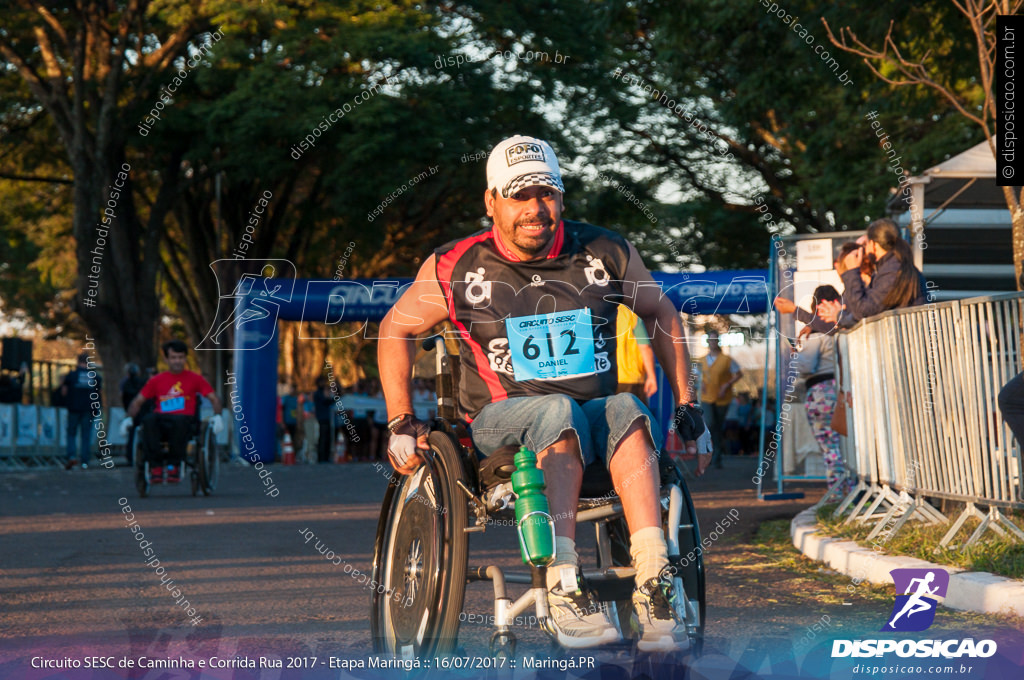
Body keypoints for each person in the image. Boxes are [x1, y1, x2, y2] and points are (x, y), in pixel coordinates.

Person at [377, 135, 710, 652]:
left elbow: (662, 312)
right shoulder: (455, 265)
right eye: (519, 196)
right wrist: (400, 420)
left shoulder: (605, 251)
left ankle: (654, 580)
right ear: (491, 202)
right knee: (557, 411)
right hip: (496, 420)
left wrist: (688, 404)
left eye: (547, 194)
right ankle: (562, 583)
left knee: (629, 408)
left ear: (561, 197)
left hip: (589, 416)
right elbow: (394, 329)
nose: (535, 209)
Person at [121, 340, 224, 483]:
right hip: (161, 420)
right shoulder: (156, 380)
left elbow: (214, 398)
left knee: (179, 421)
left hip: (185, 420)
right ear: (166, 359)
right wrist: (128, 418)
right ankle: (155, 466)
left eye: (181, 357)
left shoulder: (195, 379)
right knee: (148, 420)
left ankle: (173, 465)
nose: (177, 361)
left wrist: (218, 416)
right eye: (174, 358)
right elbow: (138, 401)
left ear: (185, 358)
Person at [789, 285, 846, 490]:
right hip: (842, 389)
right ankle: (849, 489)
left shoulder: (814, 334)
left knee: (829, 446)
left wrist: (796, 354)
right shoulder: (842, 330)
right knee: (844, 445)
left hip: (821, 392)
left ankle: (838, 492)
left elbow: (807, 366)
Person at [818, 219, 926, 326]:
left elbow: (863, 312)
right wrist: (840, 315)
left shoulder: (892, 271)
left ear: (874, 245)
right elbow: (869, 312)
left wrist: (851, 272)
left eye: (865, 245)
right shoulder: (894, 267)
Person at [699, 330, 742, 470]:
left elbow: (738, 374)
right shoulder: (701, 360)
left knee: (717, 427)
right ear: (708, 342)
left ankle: (716, 457)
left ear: (718, 342)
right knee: (710, 424)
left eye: (714, 340)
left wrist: (726, 385)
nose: (712, 342)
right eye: (710, 340)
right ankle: (712, 454)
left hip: (722, 398)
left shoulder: (726, 360)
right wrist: (700, 383)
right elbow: (695, 375)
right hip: (706, 397)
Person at [61, 353, 100, 470]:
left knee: (71, 433)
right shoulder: (95, 377)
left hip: (74, 408)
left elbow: (64, 392)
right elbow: (99, 393)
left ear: (78, 362)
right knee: (86, 435)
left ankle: (71, 456)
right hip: (89, 409)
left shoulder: (71, 375)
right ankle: (85, 461)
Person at [616, 305, 658, 405]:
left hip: (606, 377)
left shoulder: (602, 310)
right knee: (636, 416)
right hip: (632, 378)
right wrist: (652, 376)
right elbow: (644, 347)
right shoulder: (632, 314)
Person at [120, 363, 148, 465]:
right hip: (142, 412)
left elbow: (124, 398)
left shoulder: (126, 384)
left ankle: (130, 456)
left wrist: (128, 410)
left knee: (131, 435)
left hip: (132, 413)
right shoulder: (142, 383)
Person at [313, 377, 335, 463]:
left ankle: (326, 456)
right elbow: (326, 401)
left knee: (327, 437)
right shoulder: (318, 394)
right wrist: (333, 399)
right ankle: (322, 457)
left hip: (326, 417)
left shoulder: (322, 393)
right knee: (323, 438)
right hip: (322, 418)